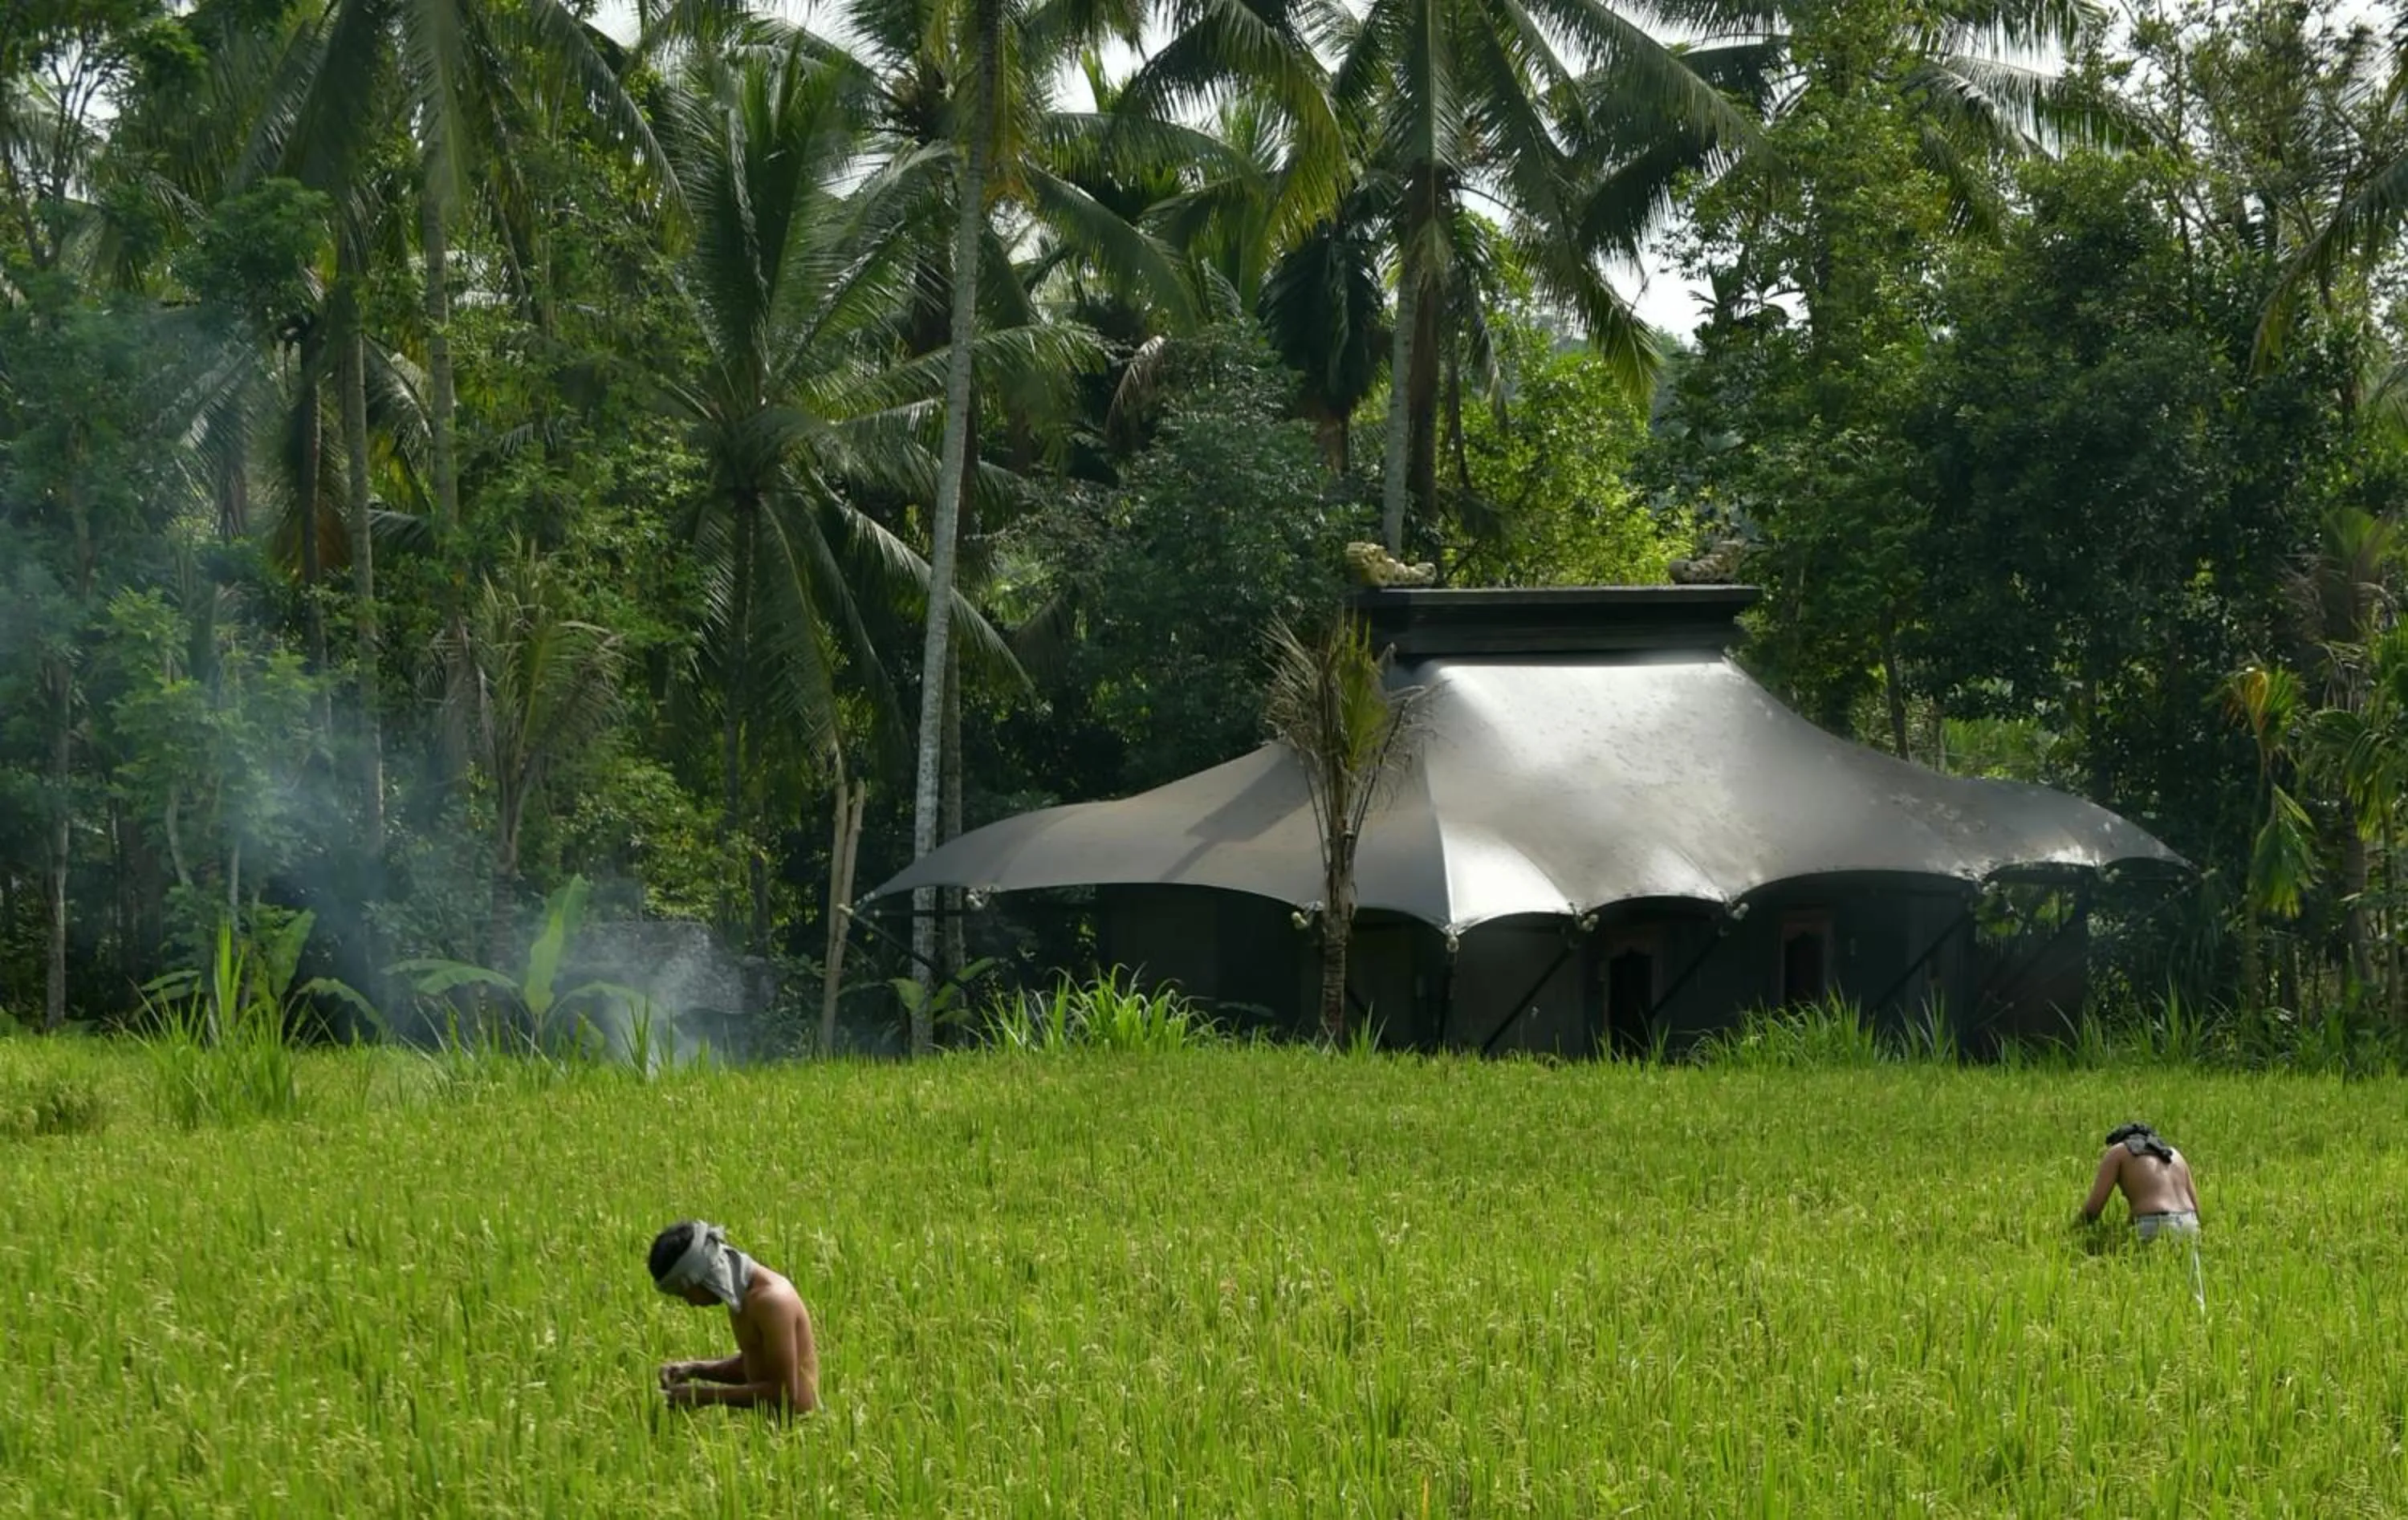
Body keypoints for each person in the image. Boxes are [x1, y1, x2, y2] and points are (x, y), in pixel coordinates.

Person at [648, 1220, 821, 1414]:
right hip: (771, 1431)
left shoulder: (772, 1301)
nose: (690, 1302)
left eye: (685, 1292)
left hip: (800, 1433)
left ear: (702, 1276)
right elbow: (756, 1365)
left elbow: (783, 1394)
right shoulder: (742, 1294)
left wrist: (705, 1395)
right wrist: (694, 1369)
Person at [2076, 1122, 2201, 1241]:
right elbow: (2196, 1207)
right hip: (2190, 1223)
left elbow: (2092, 1210)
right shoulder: (2174, 1154)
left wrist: (2069, 1233)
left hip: (2155, 1225)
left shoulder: (2119, 1151)